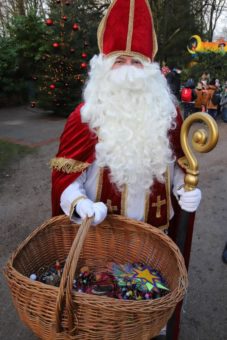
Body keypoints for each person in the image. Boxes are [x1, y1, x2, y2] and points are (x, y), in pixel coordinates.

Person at [51, 0, 201, 338]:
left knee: (149, 312)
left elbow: (176, 164)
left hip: (155, 242)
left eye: (137, 61)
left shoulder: (168, 113)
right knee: (102, 316)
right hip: (102, 241)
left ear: (150, 68)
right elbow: (65, 177)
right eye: (121, 60)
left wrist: (185, 190)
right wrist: (79, 204)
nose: (130, 70)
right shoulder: (86, 116)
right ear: (104, 66)